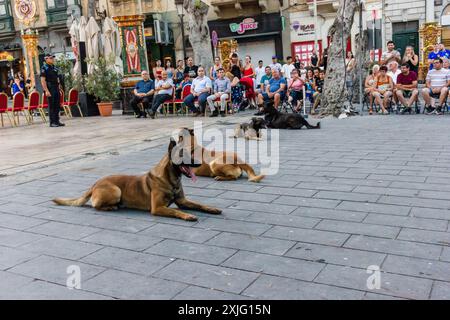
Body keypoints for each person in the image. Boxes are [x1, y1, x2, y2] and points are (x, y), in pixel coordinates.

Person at [40, 54, 64, 127]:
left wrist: (59, 87)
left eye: (53, 58)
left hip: (56, 87)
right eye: (50, 58)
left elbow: (57, 78)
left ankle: (57, 121)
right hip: (50, 88)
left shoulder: (54, 67)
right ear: (46, 59)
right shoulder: (44, 68)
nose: (52, 59)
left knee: (57, 105)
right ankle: (52, 122)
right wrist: (46, 90)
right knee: (52, 105)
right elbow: (43, 80)